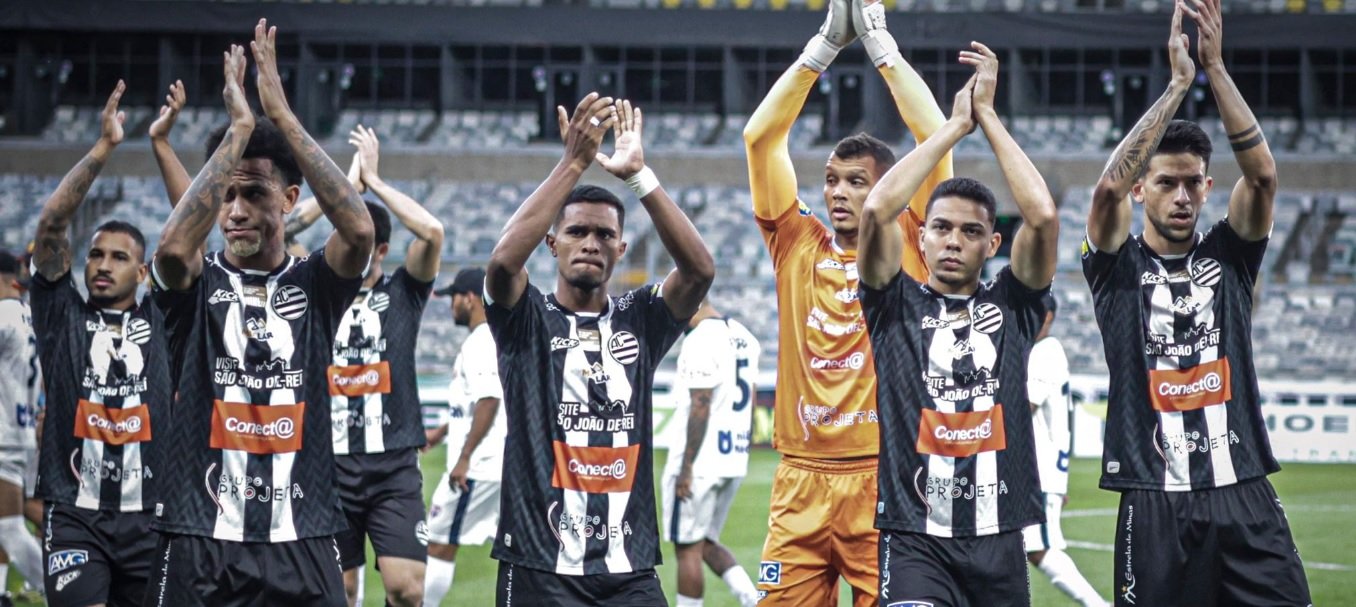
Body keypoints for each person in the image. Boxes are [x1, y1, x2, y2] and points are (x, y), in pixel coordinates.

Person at [1082, 2, 1310, 605]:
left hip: (1243, 491)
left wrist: (1215, 67)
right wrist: (1179, 85)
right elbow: (1105, 190)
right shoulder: (1117, 267)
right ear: (1142, 190)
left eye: (1193, 183)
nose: (1182, 197)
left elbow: (1262, 178)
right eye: (1165, 183)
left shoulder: (1230, 257)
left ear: (1209, 186)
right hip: (1154, 498)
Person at [146, 21, 374, 606]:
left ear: (290, 200)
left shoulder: (315, 284)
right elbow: (172, 251)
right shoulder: (197, 282)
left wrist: (281, 115)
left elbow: (360, 231)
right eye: (228, 196)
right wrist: (239, 130)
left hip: (302, 532)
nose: (237, 210)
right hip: (201, 532)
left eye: (255, 194)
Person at [740, 0, 953, 602]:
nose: (837, 192)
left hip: (880, 476)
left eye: (857, 181)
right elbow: (760, 137)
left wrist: (879, 44)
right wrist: (826, 45)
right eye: (832, 179)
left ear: (888, 188)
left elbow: (935, 138)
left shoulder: (908, 239)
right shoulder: (795, 242)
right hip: (799, 481)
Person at [483, 95, 713, 606]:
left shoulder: (641, 319)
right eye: (577, 231)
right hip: (539, 563)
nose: (591, 242)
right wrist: (572, 164)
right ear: (552, 242)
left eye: (605, 234)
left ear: (621, 249)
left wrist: (640, 177)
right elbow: (500, 265)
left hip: (627, 568)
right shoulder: (528, 319)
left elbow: (699, 272)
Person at [857, 42, 1059, 606]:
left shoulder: (1014, 307)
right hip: (915, 537)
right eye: (940, 227)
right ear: (919, 237)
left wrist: (988, 119)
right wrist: (951, 129)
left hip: (999, 537)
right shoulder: (893, 305)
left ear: (993, 244)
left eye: (970, 232)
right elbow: (876, 212)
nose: (952, 240)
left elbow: (1041, 217)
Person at [279, 125, 443, 607]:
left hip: (392, 465)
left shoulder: (403, 293)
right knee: (340, 590)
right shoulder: (316, 289)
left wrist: (376, 180)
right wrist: (346, 186)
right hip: (327, 464)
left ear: (383, 251)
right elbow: (285, 229)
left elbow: (432, 231)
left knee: (406, 589)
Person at [28, 80, 170, 607]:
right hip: (73, 512)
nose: (103, 266)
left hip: (151, 514)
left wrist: (161, 146)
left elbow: (193, 246)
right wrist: (103, 148)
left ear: (143, 269)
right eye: (96, 255)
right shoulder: (61, 312)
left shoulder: (163, 320)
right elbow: (50, 226)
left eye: (118, 257)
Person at [660, 301, 760, 607]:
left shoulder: (701, 337)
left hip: (701, 461)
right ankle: (752, 599)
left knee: (687, 547)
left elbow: (701, 402)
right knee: (705, 542)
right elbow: (752, 398)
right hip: (732, 455)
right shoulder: (745, 336)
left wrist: (686, 467)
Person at [423, 267, 506, 607]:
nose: (450, 305)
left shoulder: (482, 342)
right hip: (489, 464)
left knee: (438, 542)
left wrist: (464, 457)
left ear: (470, 299)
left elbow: (489, 399)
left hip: (478, 468)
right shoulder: (487, 340)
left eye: (453, 297)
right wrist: (440, 433)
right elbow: (470, 405)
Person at [1022, 294, 1108, 607]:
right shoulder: (1037, 351)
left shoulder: (1046, 351)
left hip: (1037, 474)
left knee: (1038, 548)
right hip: (1034, 474)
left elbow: (1024, 407)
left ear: (1047, 317)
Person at [0, 250, 41, 598]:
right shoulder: (29, 316)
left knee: (9, 528)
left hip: (3, 434)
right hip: (21, 432)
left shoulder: (3, 315)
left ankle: (61, 589)